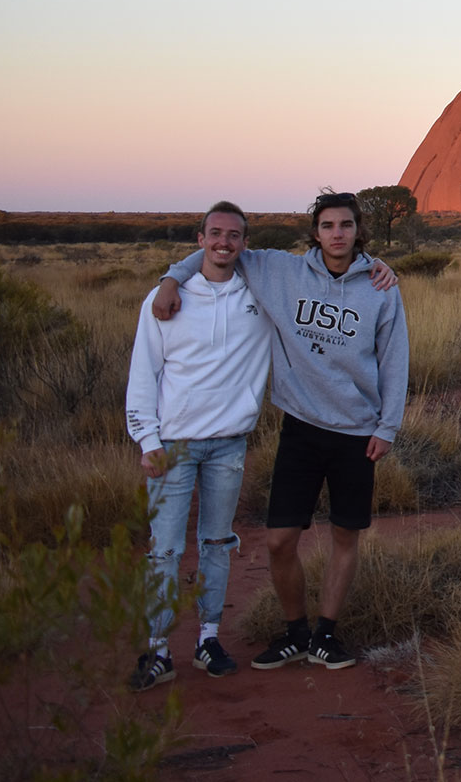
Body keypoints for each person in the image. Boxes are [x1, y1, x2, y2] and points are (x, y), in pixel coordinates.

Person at [153, 190, 407, 673]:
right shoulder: (281, 271)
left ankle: (326, 635)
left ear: (358, 231)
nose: (337, 234)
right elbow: (221, 250)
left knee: (345, 535)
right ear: (316, 232)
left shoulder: (380, 287)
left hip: (357, 432)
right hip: (301, 427)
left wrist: (387, 426)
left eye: (346, 226)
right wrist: (171, 278)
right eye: (328, 225)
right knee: (278, 539)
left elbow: (395, 359)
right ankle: (295, 633)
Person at [124, 202, 273, 690]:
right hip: (174, 443)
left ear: (245, 243)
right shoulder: (166, 299)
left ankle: (208, 639)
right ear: (200, 237)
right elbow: (144, 373)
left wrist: (376, 268)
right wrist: (147, 439)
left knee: (216, 543)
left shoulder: (261, 294)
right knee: (163, 549)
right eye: (215, 234)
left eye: (234, 235)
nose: (224, 243)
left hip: (229, 443)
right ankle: (159, 649)